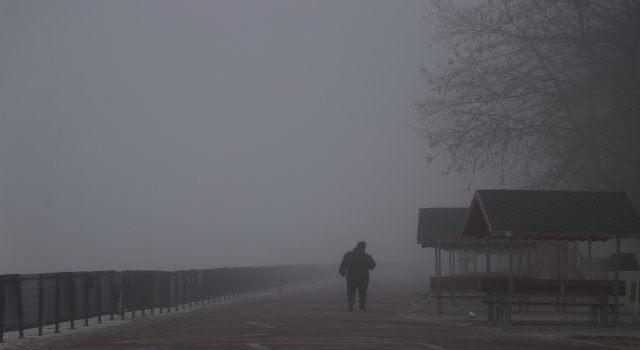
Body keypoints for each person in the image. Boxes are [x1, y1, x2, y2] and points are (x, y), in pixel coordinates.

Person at [338, 241, 376, 311]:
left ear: (357, 246)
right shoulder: (367, 256)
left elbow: (343, 264)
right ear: (364, 247)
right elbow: (373, 266)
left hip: (351, 276)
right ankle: (361, 306)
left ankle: (351, 300)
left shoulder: (348, 255)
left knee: (350, 291)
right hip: (363, 277)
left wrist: (342, 272)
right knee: (362, 292)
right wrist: (365, 266)